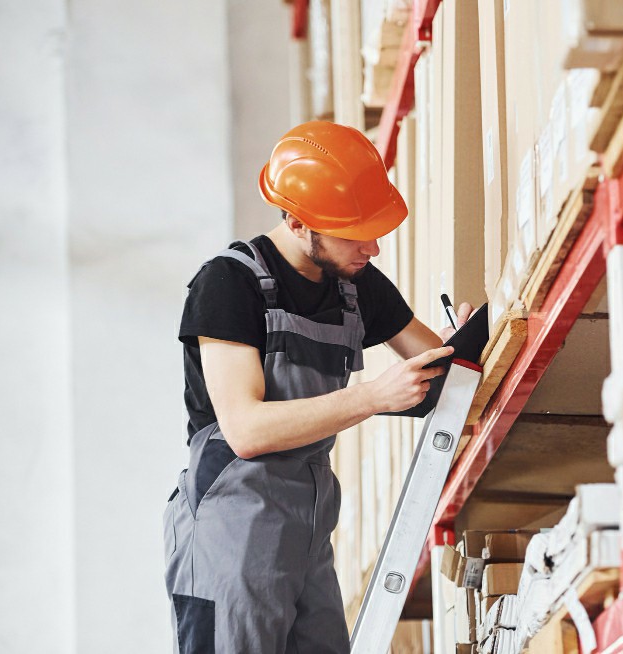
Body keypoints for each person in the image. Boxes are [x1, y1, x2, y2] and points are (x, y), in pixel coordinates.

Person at [163, 121, 472, 653]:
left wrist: (457, 347)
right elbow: (246, 430)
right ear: (300, 223)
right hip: (233, 526)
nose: (373, 247)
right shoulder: (228, 284)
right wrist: (373, 396)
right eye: (356, 233)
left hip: (306, 524)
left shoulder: (356, 286)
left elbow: (433, 365)